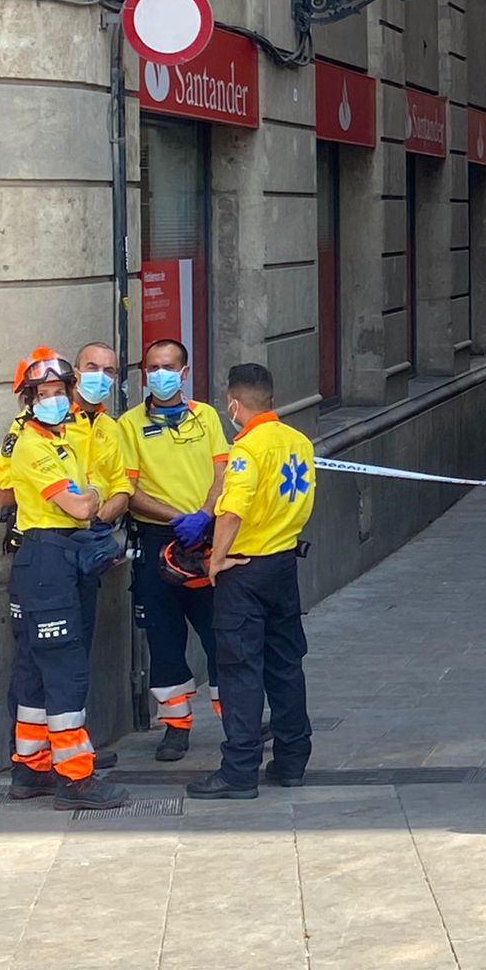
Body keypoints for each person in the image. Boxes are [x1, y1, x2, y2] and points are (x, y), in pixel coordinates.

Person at [0, 350, 130, 810]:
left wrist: (89, 495)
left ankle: (30, 768)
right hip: (47, 556)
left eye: (58, 392)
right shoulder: (32, 445)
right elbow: (81, 506)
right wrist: (92, 495)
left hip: (58, 558)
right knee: (65, 667)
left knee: (34, 667)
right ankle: (75, 778)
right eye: (43, 394)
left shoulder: (63, 441)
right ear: (28, 401)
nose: (52, 400)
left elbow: (90, 496)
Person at [187, 363, 317, 799]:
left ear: (234, 404)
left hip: (245, 569)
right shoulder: (298, 442)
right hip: (284, 565)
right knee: (285, 664)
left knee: (241, 670)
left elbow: (233, 509)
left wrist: (216, 561)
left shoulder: (246, 448)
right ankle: (293, 759)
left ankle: (239, 771)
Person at [117, 339, 230, 761]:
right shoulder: (128, 425)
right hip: (156, 540)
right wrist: (174, 518)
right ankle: (176, 726)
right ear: (144, 373)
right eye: (153, 368)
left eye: (169, 367)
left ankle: (236, 719)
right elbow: (128, 489)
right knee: (164, 638)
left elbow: (223, 472)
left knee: (221, 632)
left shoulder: (207, 418)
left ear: (184, 373)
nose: (161, 374)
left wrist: (202, 514)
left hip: (206, 538)